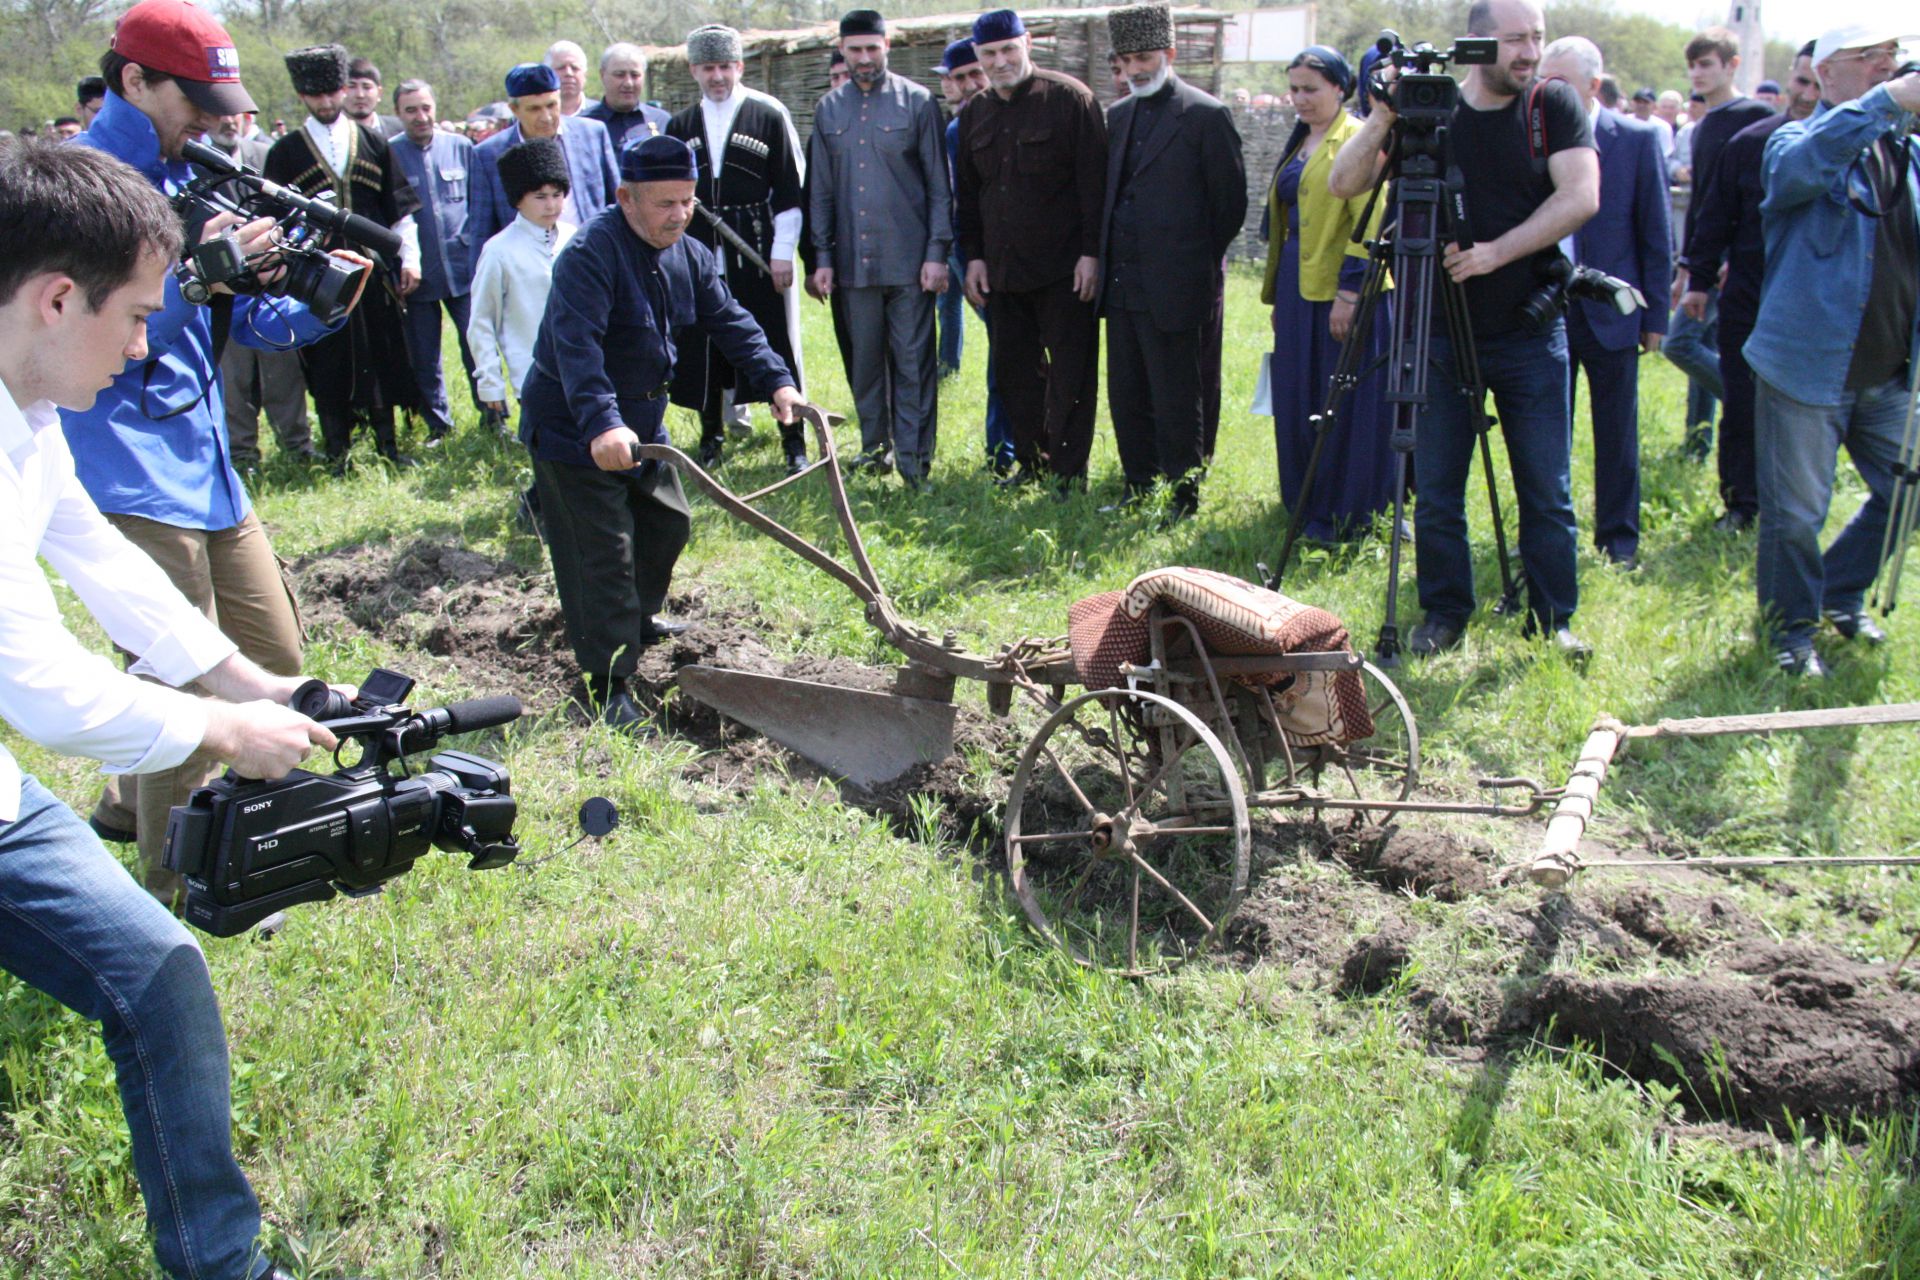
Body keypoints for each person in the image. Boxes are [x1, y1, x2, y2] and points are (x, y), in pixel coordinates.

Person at [0, 135, 367, 1280]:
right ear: (59, 299)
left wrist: (246, 679)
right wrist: (223, 731)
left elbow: (102, 562)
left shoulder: (32, 414)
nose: (150, 343)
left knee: (158, 974)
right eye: (139, 316)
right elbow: (35, 680)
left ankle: (223, 1264)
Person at [66, 0, 352, 889]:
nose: (214, 117)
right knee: (180, 687)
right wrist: (196, 276)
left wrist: (308, 297)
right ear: (134, 82)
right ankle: (171, 887)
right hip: (118, 456)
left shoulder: (200, 170)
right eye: (193, 97)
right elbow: (90, 320)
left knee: (275, 658)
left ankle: (128, 806)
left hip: (204, 460)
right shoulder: (79, 180)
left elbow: (250, 326)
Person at [1330, 0, 1600, 659]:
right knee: (1438, 490)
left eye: (1535, 37)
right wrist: (1387, 114)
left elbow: (1581, 196)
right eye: (1514, 40)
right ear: (1477, 46)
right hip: (1439, 332)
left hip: (1529, 332)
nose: (1529, 52)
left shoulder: (1552, 107)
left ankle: (1551, 619)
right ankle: (1444, 613)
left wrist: (1496, 252)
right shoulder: (1433, 111)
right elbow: (1345, 182)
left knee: (1546, 489)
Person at [519, 135, 801, 727]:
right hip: (577, 429)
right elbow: (577, 347)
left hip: (644, 424)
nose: (680, 215)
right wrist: (602, 424)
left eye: (689, 201)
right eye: (665, 203)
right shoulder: (590, 255)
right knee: (603, 554)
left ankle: (638, 619)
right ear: (626, 197)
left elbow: (730, 319)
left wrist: (778, 381)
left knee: (667, 524)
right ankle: (607, 682)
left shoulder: (689, 254)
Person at [1744, 28, 1920, 677]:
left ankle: (1838, 593)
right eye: (1869, 59)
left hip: (1890, 372)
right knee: (1794, 517)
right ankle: (1789, 631)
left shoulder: (1909, 154)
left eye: (1893, 57)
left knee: (1911, 491)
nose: (1888, 66)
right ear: (1825, 74)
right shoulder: (1794, 142)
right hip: (1807, 369)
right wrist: (1889, 98)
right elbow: (1804, 167)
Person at [1099, 2, 1244, 524]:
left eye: (1145, 56)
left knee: (1178, 394)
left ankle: (1183, 497)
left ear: (1170, 53)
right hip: (1122, 283)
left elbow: (1230, 206)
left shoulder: (1206, 115)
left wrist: (1188, 262)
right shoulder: (1117, 116)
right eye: (1127, 58)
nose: (1136, 68)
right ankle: (1138, 486)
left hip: (1177, 282)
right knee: (1127, 391)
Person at [956, 8, 1108, 497]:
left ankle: (1067, 475)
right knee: (1015, 375)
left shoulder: (1070, 100)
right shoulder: (975, 114)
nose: (1001, 61)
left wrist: (1091, 254)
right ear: (979, 58)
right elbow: (969, 197)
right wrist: (973, 256)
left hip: (1064, 270)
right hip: (1001, 272)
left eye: (1008, 50)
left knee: (1071, 376)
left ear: (1027, 45)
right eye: (990, 54)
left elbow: (1094, 187)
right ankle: (1033, 464)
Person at [1540, 36, 1671, 569]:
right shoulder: (1532, 136)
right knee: (1549, 435)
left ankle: (1619, 540)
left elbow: (1655, 234)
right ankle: (1553, 537)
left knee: (1617, 432)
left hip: (1613, 315)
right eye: (1542, 84)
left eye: (1561, 85)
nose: (1549, 96)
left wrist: (1654, 315)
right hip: (1548, 309)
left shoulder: (1636, 140)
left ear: (1593, 87)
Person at [1681, 42, 1820, 534]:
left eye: (1817, 84)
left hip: (1819, 308)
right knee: (1741, 405)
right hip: (1750, 295)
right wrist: (1698, 279)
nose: (1806, 94)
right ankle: (1741, 504)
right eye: (1801, 81)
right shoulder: (1750, 142)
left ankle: (1799, 507)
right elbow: (1714, 216)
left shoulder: (1858, 151)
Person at [808, 9, 950, 486]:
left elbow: (938, 185)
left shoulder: (918, 102)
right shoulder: (828, 109)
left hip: (909, 263)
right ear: (842, 50)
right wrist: (822, 258)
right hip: (852, 265)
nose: (864, 59)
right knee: (865, 363)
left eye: (872, 48)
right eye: (855, 50)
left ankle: (915, 464)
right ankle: (875, 450)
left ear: (887, 45)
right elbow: (821, 192)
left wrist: (936, 252)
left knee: (913, 365)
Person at [265, 43, 425, 467]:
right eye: (315, 95)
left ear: (343, 89)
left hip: (373, 274)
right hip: (317, 277)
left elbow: (399, 212)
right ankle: (338, 451)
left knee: (383, 351)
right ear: (302, 96)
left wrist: (410, 259)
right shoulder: (284, 153)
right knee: (327, 360)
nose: (325, 102)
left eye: (332, 92)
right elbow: (273, 224)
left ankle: (388, 446)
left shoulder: (373, 142)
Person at [1262, 45, 1392, 542]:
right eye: (1294, 89)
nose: (1300, 98)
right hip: (1299, 289)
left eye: (1310, 89)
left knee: (1341, 399)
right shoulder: (1301, 140)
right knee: (1298, 395)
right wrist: (1278, 297)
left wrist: (1352, 291)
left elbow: (1372, 218)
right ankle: (1302, 502)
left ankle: (1345, 510)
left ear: (1341, 88)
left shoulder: (1357, 139)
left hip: (1342, 289)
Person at [667, 24, 808, 472]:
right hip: (699, 249)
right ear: (694, 70)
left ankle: (794, 440)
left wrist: (783, 252)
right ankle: (711, 436)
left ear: (740, 66)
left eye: (725, 66)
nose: (717, 76)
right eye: (708, 67)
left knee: (773, 341)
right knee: (704, 338)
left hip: (757, 249)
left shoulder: (767, 115)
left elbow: (790, 192)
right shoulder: (681, 124)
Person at [1665, 29, 1773, 463]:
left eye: (1706, 64)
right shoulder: (1702, 126)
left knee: (1682, 344)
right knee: (1702, 343)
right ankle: (1698, 441)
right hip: (1706, 260)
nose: (1697, 74)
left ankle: (1757, 413)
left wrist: (1733, 259)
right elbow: (1702, 204)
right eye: (1692, 65)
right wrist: (1687, 267)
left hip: (1739, 262)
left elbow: (1756, 200)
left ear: (1732, 65)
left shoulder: (1756, 117)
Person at [207, 112, 316, 467]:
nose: (229, 122)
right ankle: (242, 454)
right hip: (221, 289)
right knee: (234, 379)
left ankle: (298, 447)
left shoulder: (263, 155)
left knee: (283, 372)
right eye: (220, 116)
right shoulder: (193, 166)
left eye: (234, 116)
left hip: (270, 285)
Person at [933, 38, 1013, 473]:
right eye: (956, 78)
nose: (965, 86)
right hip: (977, 253)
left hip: (1026, 254)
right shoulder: (956, 131)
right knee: (1005, 348)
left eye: (971, 75)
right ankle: (1002, 451)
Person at [466, 63, 621, 278]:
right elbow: (481, 230)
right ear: (514, 109)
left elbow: (616, 203)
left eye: (551, 105)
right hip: (527, 275)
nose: (546, 116)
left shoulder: (592, 134)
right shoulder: (489, 155)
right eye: (534, 109)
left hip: (594, 261)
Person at [390, 78, 480, 440]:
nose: (420, 116)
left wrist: (474, 246)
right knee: (425, 357)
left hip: (463, 269)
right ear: (398, 113)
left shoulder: (462, 148)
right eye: (410, 110)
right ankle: (438, 426)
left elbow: (479, 203)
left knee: (477, 346)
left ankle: (494, 416)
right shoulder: (390, 153)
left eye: (426, 107)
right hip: (418, 275)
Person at [468, 138, 575, 423]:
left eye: (557, 194)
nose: (551, 204)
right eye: (540, 197)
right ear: (518, 199)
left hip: (583, 366)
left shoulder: (576, 238)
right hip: (532, 371)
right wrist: (490, 381)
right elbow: (481, 321)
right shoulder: (499, 250)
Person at [585, 43, 671, 151]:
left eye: (635, 75)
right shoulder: (584, 123)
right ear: (602, 75)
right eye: (620, 75)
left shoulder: (662, 121)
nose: (628, 83)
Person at [343, 56, 401, 142]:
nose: (360, 95)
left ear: (379, 93)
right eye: (352, 86)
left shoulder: (400, 131)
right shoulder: (328, 133)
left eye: (367, 87)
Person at [547, 39, 596, 117]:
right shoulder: (535, 115)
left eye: (575, 68)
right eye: (561, 68)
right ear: (547, 74)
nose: (568, 73)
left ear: (585, 75)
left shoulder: (601, 115)